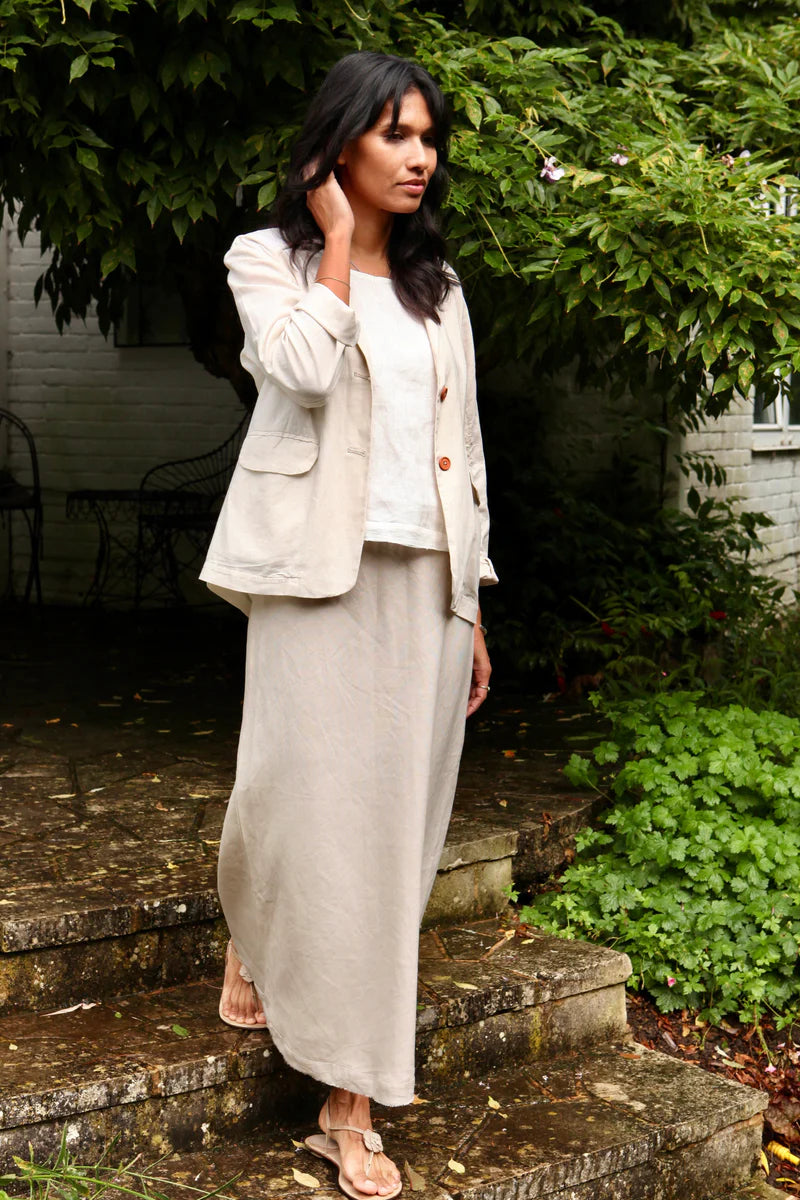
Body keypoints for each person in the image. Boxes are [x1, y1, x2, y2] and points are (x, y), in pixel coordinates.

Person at [199, 50, 498, 1200]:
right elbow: (292, 368)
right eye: (395, 135)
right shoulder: (267, 260)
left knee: (393, 834)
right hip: (311, 575)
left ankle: (349, 1101)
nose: (419, 157)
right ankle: (262, 930)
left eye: (429, 138)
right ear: (339, 146)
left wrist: (469, 600)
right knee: (286, 794)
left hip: (424, 584)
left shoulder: (441, 287)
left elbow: (464, 449)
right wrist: (331, 245)